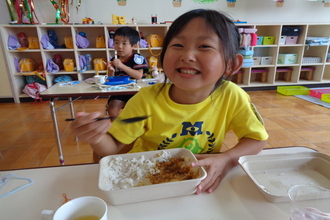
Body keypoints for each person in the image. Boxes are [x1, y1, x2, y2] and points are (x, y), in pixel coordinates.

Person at [71, 9, 268, 195]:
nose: (187, 56)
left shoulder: (232, 96)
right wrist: (95, 137)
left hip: (196, 181)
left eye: (204, 46)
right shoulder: (147, 99)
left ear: (231, 64)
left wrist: (227, 159)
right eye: (177, 45)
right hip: (145, 180)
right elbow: (112, 147)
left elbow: (256, 139)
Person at [106, 26, 149, 118]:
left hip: (137, 92)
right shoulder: (115, 59)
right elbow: (110, 80)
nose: (119, 46)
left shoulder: (138, 59)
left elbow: (138, 76)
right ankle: (118, 129)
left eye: (124, 43)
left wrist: (121, 66)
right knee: (112, 110)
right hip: (120, 91)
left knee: (136, 112)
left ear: (134, 46)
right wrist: (111, 71)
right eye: (116, 42)